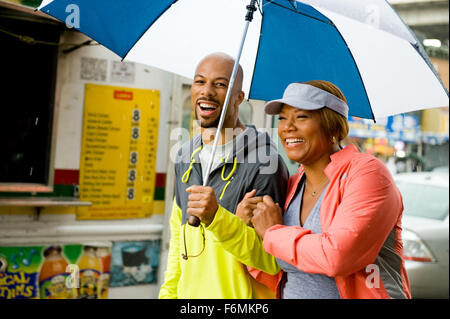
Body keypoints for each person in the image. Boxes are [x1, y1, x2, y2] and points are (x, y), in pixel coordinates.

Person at [239, 80, 411, 299]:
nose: (288, 127)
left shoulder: (368, 174)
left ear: (332, 126)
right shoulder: (293, 184)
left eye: (301, 117)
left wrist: (272, 232)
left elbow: (337, 257)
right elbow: (277, 266)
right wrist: (245, 228)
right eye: (282, 118)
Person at [158, 52, 289, 299]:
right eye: (200, 81)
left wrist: (217, 217)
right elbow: (178, 241)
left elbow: (272, 261)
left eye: (220, 84)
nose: (206, 91)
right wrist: (168, 295)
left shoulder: (264, 163)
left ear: (239, 98)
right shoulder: (185, 155)